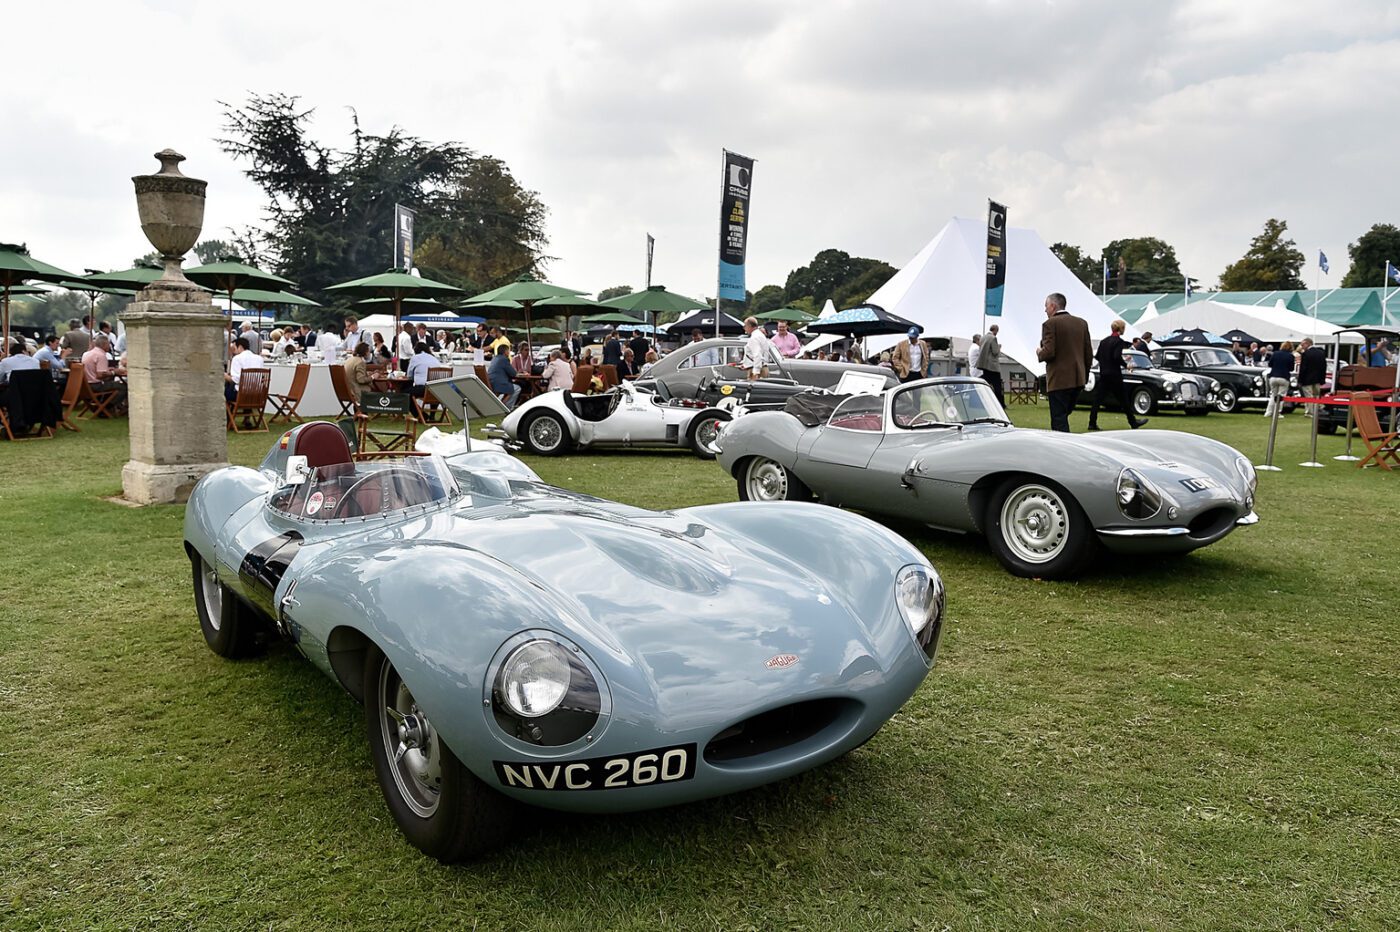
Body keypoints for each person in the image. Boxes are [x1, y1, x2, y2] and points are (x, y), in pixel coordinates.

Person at [1036, 292, 1092, 433]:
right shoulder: (1081, 323)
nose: (1045, 310)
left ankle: (1063, 449)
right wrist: (1084, 376)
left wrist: (1039, 352)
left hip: (1059, 380)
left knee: (1059, 420)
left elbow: (1049, 352)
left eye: (1046, 306)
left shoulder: (1050, 324)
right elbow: (1088, 354)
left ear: (1053, 306)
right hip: (1078, 379)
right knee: (1064, 415)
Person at [1088, 320, 1147, 431]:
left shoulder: (1104, 341)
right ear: (1121, 329)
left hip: (1104, 374)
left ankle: (1092, 422)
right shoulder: (1119, 342)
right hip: (1114, 375)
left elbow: (1098, 356)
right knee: (1124, 399)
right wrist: (1126, 364)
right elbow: (1116, 357)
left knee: (1097, 400)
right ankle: (1133, 422)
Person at [223, 335, 263, 405]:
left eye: (234, 348)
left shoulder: (237, 358)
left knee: (220, 391)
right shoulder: (259, 358)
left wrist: (225, 376)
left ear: (240, 347)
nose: (233, 350)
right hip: (257, 394)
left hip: (240, 394)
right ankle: (242, 412)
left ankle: (228, 415)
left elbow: (236, 380)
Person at [1263, 341, 1295, 418]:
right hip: (1284, 377)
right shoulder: (1290, 356)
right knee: (1281, 396)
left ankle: (1268, 412)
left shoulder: (1275, 353)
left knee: (1273, 395)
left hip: (1273, 376)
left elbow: (1270, 364)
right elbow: (1291, 368)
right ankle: (1277, 412)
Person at [1297, 337, 1327, 415]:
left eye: (1302, 345)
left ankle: (1310, 412)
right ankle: (1318, 409)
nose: (1302, 347)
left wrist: (1300, 380)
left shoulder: (1306, 354)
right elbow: (1324, 367)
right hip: (1317, 379)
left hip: (1307, 379)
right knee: (1317, 395)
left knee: (1308, 396)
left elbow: (1303, 368)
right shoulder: (1321, 353)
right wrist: (1322, 379)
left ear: (1307, 344)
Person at [740, 316, 773, 381]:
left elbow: (757, 355)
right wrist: (745, 364)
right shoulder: (760, 335)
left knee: (753, 389)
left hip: (756, 370)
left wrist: (755, 372)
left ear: (749, 326)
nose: (744, 328)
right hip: (763, 367)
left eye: (745, 326)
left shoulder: (754, 338)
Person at [980, 324, 1004, 405]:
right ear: (996, 330)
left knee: (985, 382)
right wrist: (999, 347)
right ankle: (1000, 403)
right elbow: (995, 352)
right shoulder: (993, 338)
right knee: (997, 385)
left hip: (984, 364)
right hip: (992, 366)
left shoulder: (983, 337)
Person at [344, 342, 374, 408]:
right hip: (357, 391)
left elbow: (353, 374)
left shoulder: (349, 360)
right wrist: (373, 377)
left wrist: (366, 374)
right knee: (377, 390)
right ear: (365, 352)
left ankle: (360, 412)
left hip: (348, 390)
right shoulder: (360, 362)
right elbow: (361, 380)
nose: (369, 353)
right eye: (368, 351)